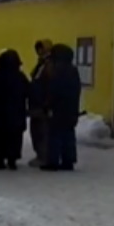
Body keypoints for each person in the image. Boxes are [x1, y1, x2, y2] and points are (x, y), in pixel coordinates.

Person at [42, 43, 81, 171]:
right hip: (70, 108)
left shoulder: (57, 70)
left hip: (58, 108)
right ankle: (68, 160)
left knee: (54, 134)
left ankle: (53, 161)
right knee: (68, 134)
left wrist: (48, 105)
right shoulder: (73, 70)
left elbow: (53, 90)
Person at [0, 48, 30, 170]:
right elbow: (29, 92)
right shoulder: (20, 77)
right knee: (15, 137)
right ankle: (12, 160)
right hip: (16, 113)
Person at [27, 39, 53, 167]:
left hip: (42, 103)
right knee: (36, 130)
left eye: (41, 48)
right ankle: (39, 154)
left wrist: (46, 103)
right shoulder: (41, 64)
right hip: (36, 103)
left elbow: (47, 85)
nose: (39, 51)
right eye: (38, 49)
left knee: (41, 131)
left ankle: (43, 156)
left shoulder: (49, 64)